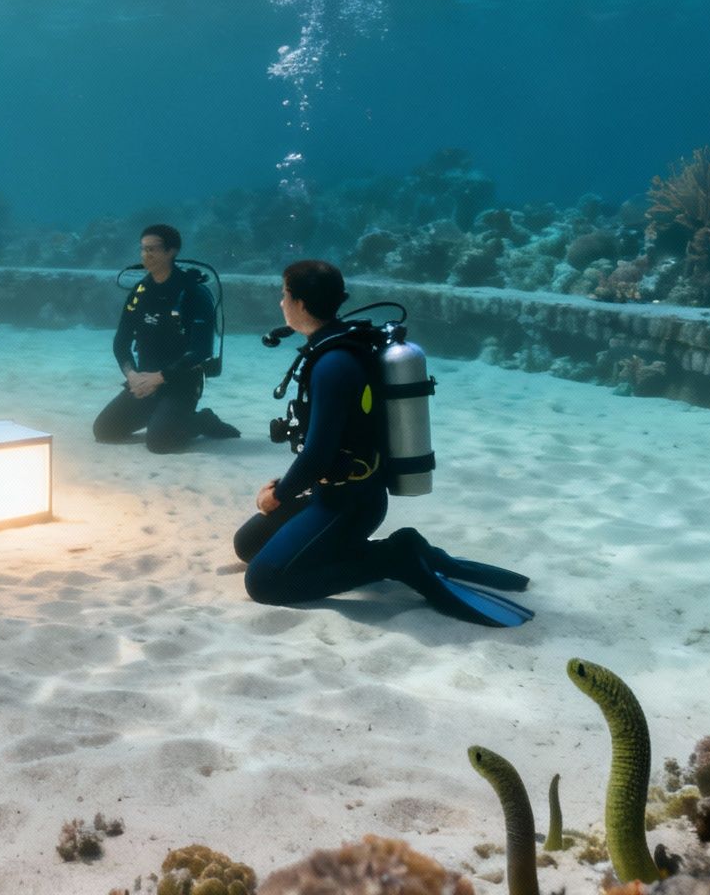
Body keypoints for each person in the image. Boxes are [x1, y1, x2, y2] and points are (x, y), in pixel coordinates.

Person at [233, 259, 533, 627]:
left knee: (264, 582)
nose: (280, 303)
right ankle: (392, 552)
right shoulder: (332, 346)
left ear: (301, 304)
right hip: (330, 494)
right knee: (248, 546)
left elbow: (317, 455)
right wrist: (287, 487)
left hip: (348, 504)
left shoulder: (334, 363)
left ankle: (396, 557)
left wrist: (278, 496)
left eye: (284, 295)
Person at [93, 224, 238, 453]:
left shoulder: (194, 294)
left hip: (181, 383)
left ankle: (202, 420)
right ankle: (161, 415)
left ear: (172, 251)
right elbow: (120, 342)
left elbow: (201, 350)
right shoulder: (140, 292)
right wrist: (132, 376)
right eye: (142, 249)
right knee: (105, 430)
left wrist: (159, 378)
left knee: (159, 443)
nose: (145, 256)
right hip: (143, 381)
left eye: (152, 249)